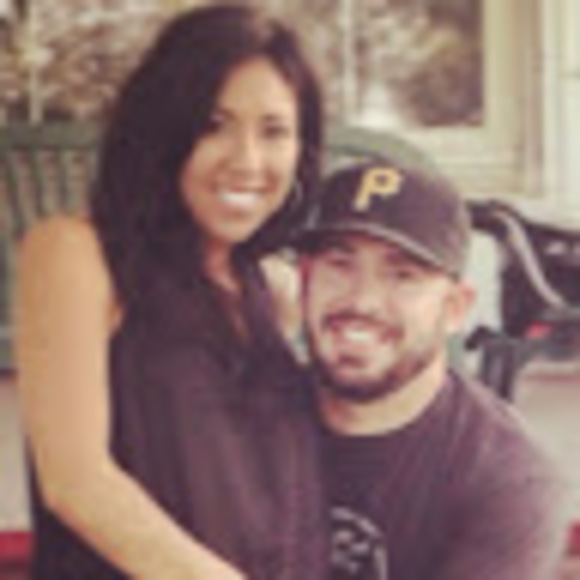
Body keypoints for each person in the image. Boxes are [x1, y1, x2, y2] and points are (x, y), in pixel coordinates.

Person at [15, 4, 328, 579]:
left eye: (274, 131)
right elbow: (75, 482)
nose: (247, 161)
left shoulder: (276, 288)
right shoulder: (74, 254)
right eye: (214, 125)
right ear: (163, 131)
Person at [292, 156, 573, 580]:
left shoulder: (509, 480)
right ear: (304, 281)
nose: (362, 300)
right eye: (340, 264)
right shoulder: (245, 419)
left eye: (402, 275)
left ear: (455, 307)